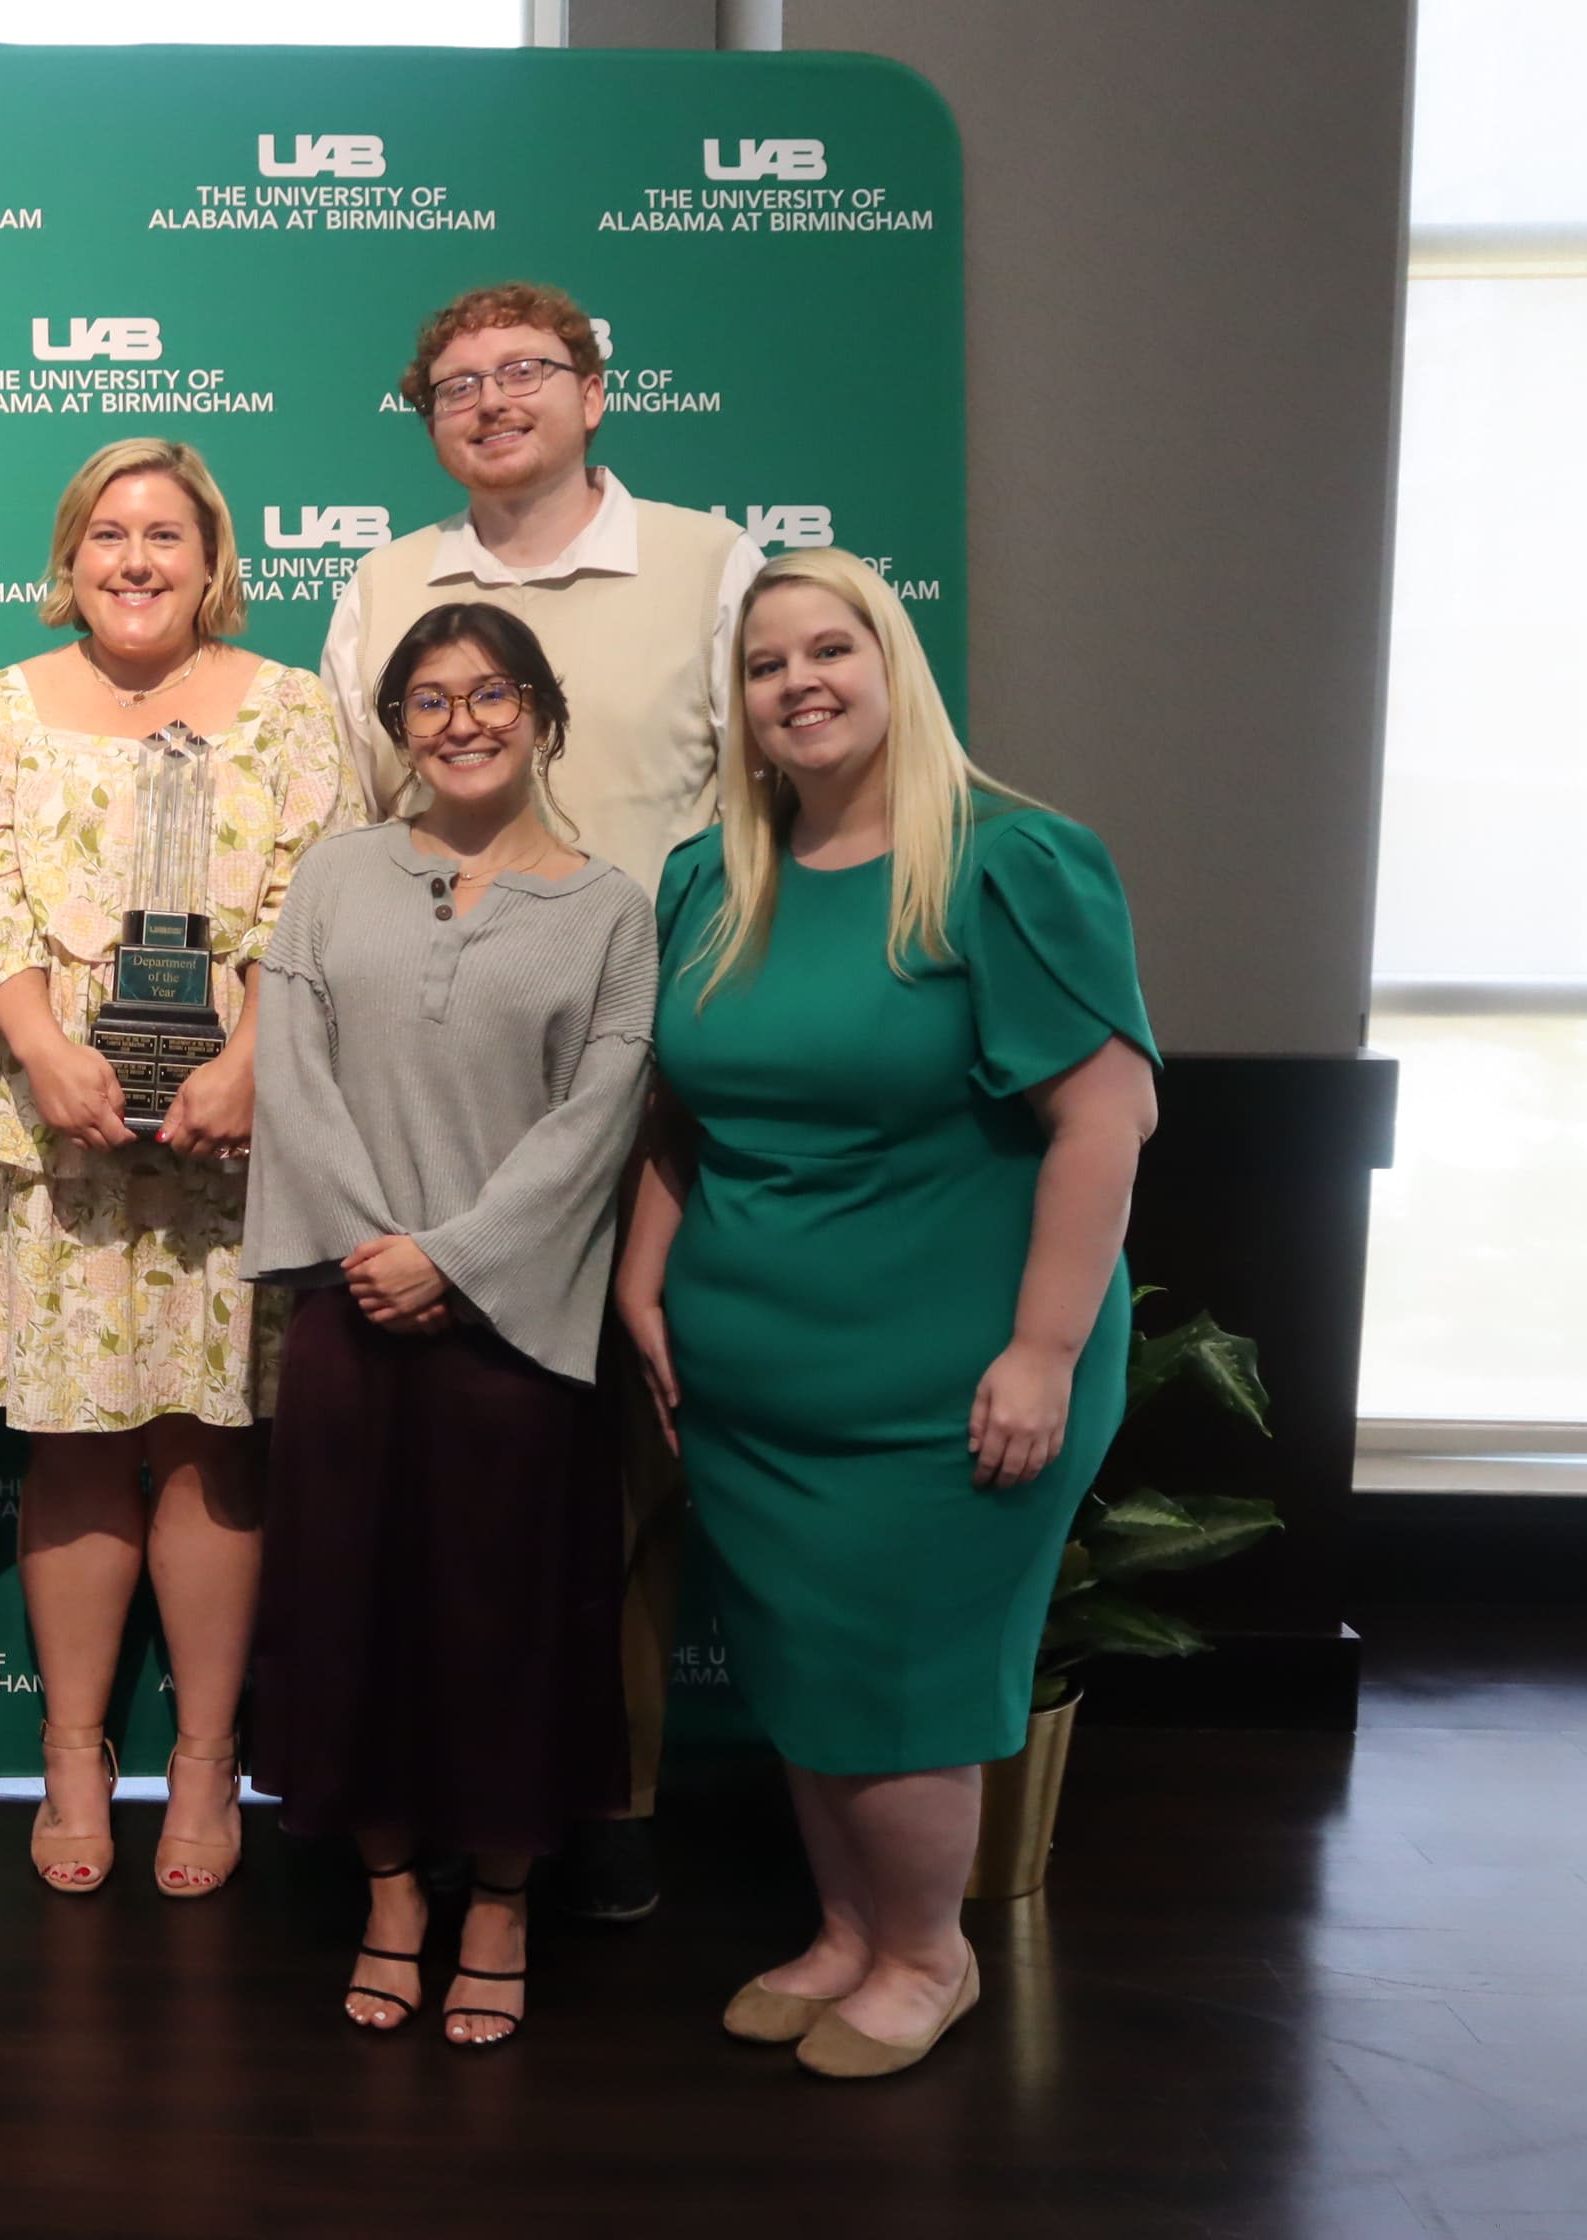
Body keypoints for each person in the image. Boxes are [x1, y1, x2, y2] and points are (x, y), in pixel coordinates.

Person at [617, 548, 1158, 2080]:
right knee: (805, 1660)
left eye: (829, 648)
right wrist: (644, 1274)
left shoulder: (1012, 860)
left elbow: (1103, 1120)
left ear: (891, 662)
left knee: (908, 1677)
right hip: (754, 1374)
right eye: (765, 663)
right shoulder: (712, 873)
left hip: (956, 1377)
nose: (799, 683)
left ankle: (931, 1954)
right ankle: (849, 1933)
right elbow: (686, 1110)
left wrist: (1044, 1352)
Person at [317, 280, 767, 1921]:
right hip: (428, 1106)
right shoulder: (380, 587)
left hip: (648, 1095)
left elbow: (764, 812)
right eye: (453, 384)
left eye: (524, 374)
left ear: (596, 391)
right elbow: (353, 846)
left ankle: (612, 1792)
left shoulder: (713, 570)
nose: (490, 402)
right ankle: (431, 1807)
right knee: (435, 1488)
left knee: (621, 1471)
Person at [0, 438, 343, 1900]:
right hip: (49, 1124)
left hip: (239, 1119)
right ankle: (74, 1752)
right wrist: (39, 1046)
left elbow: (318, 899)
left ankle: (209, 1761)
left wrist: (250, 1063)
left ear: (213, 554)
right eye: (110, 534)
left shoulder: (293, 708)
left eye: (167, 533)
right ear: (70, 556)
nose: (137, 559)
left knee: (219, 1435)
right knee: (76, 1437)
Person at [242, 605, 652, 2047]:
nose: (460, 722)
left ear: (541, 713)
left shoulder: (611, 908)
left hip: (517, 1333)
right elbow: (292, 1075)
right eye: (427, 701)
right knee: (353, 1612)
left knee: (507, 1626)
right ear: (397, 728)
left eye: (489, 696)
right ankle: (394, 1887)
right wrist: (373, 1247)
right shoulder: (336, 879)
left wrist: (458, 1259)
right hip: (353, 1309)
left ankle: (499, 1899)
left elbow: (598, 1122)